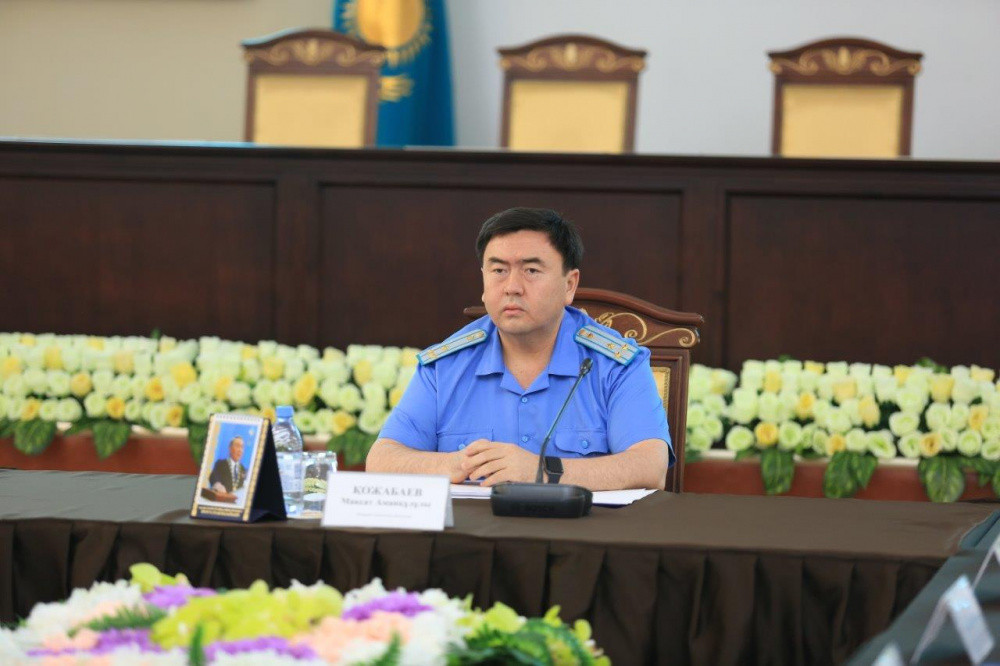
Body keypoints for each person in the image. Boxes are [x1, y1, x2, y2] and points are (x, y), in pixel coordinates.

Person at [366, 207, 672, 490]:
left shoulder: (615, 364)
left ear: (569, 285)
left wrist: (541, 470)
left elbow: (650, 467)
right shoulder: (445, 366)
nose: (512, 287)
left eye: (531, 271)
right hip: (472, 530)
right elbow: (382, 460)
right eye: (499, 270)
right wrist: (459, 464)